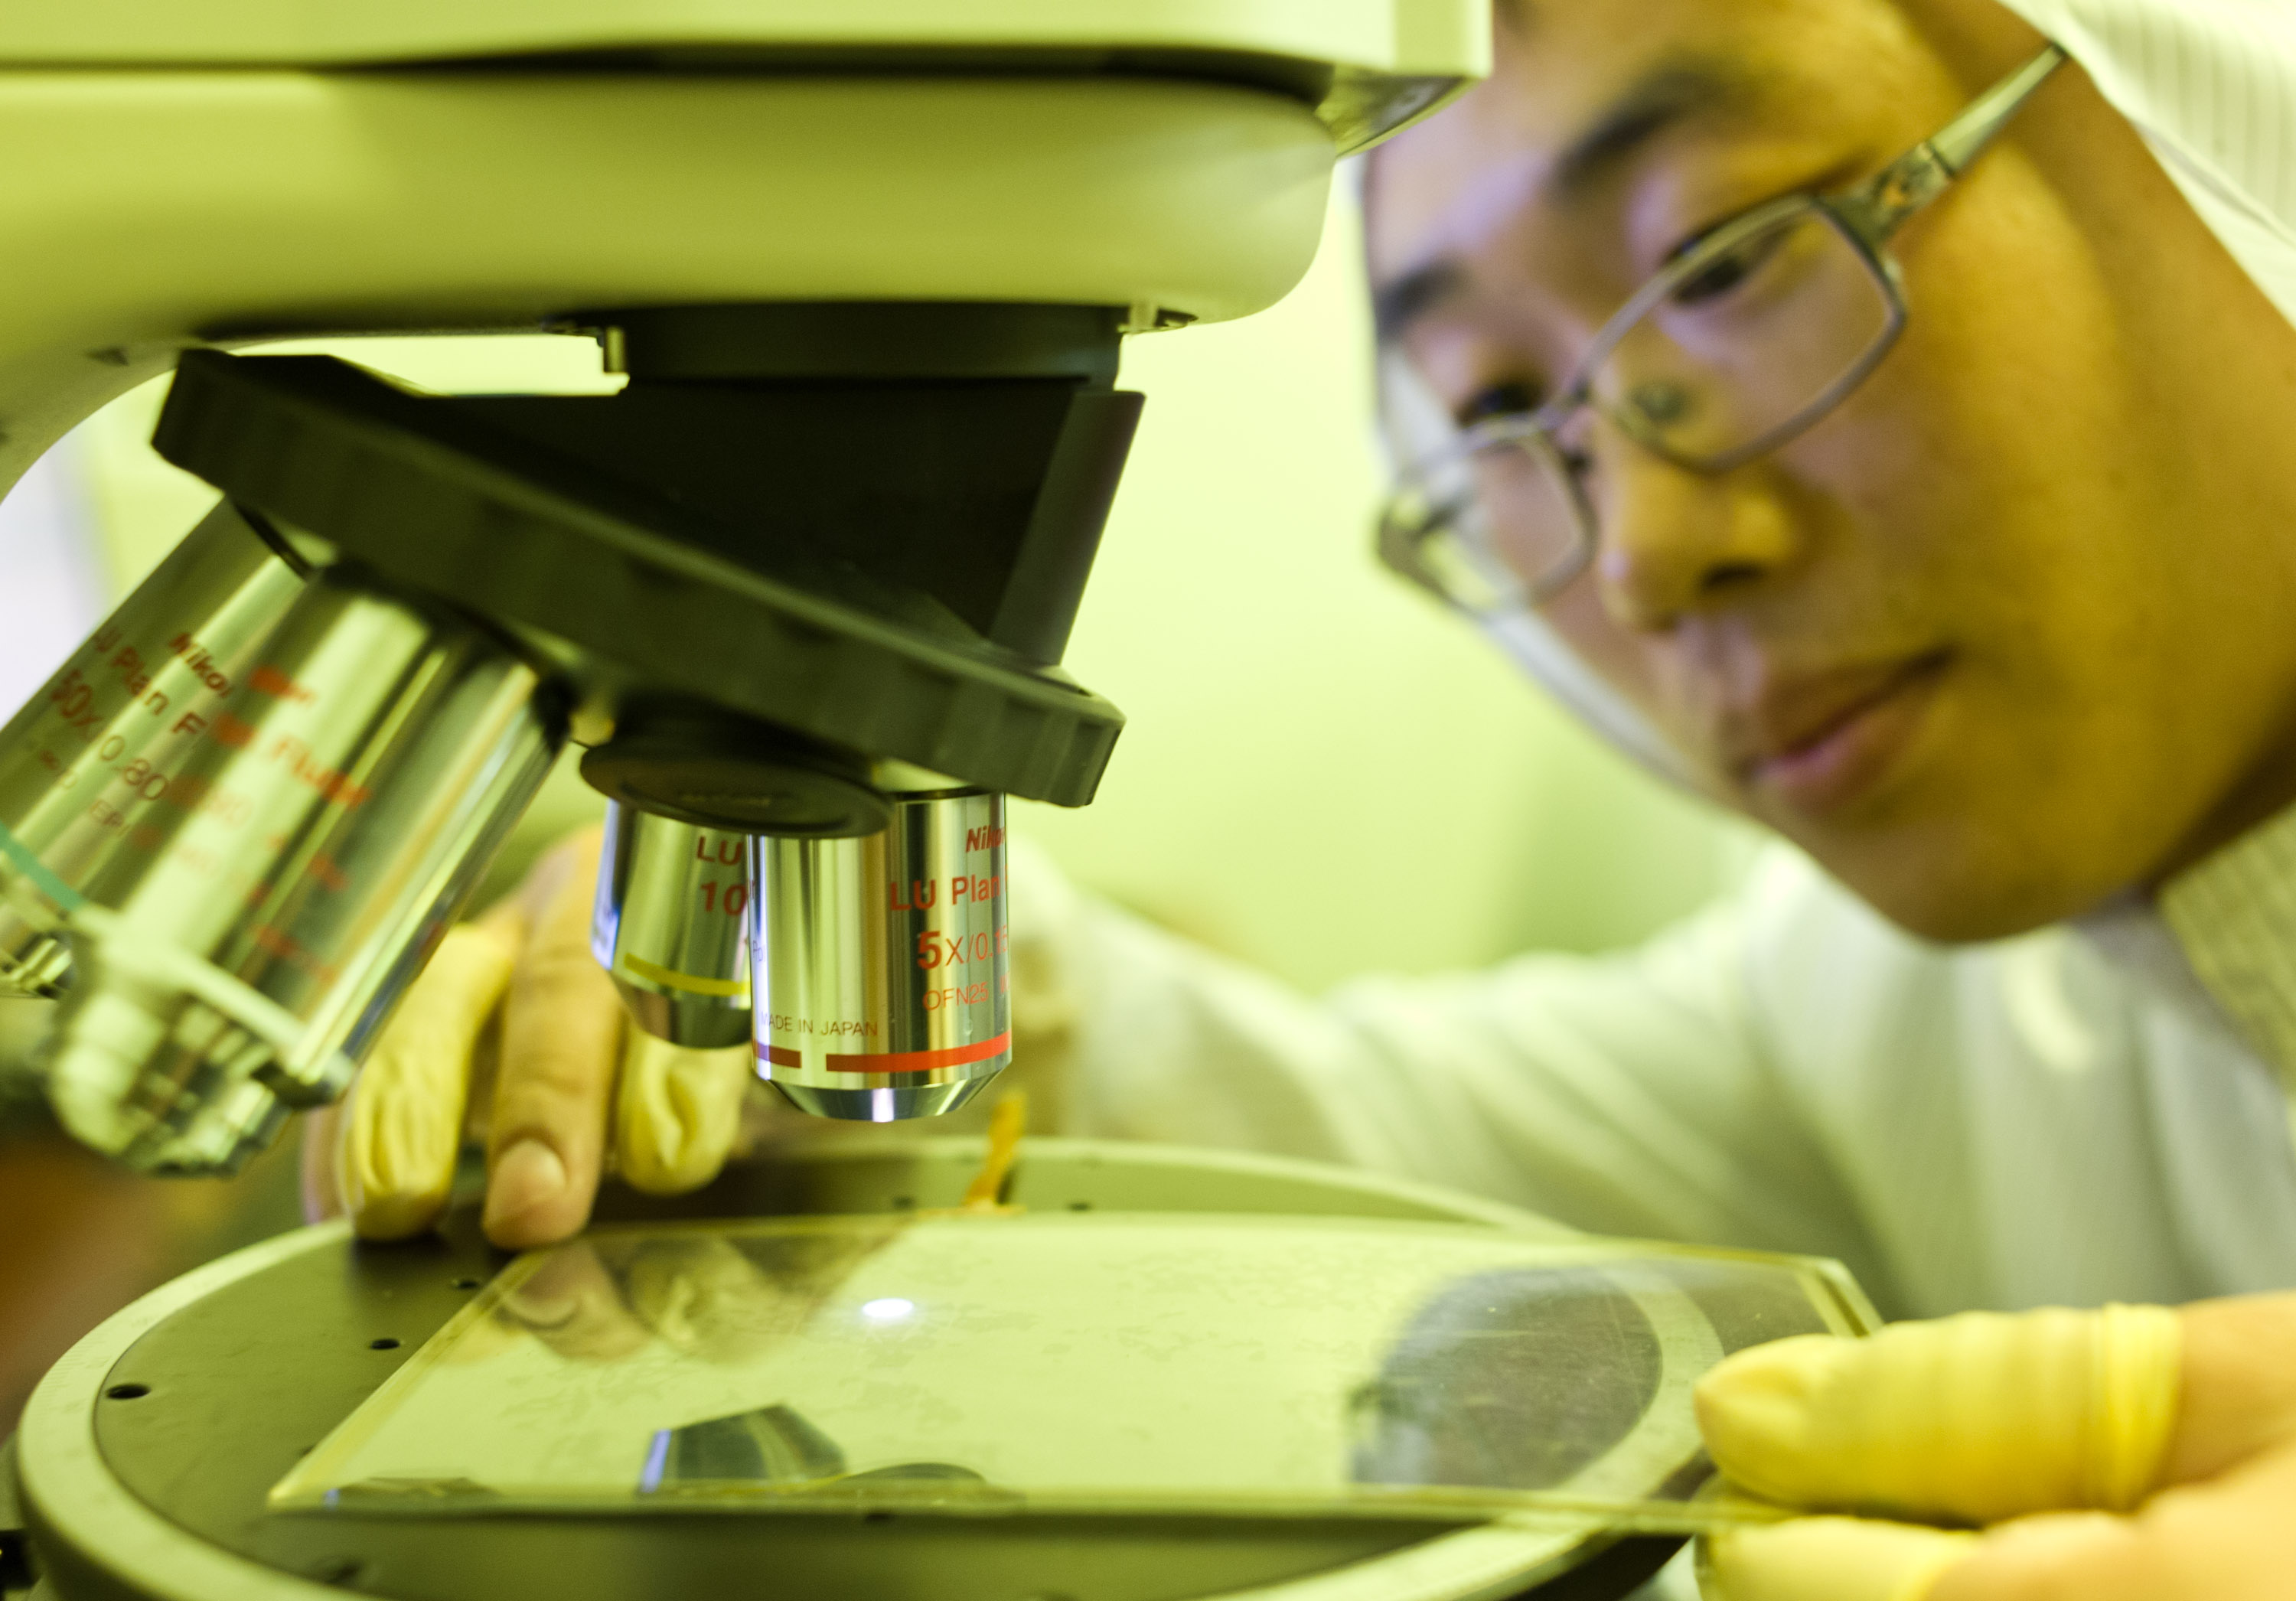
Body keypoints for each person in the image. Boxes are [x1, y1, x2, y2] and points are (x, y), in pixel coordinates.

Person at [309, 0, 2296, 1593]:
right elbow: (1375, 1149)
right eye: (1499, 410)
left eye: (1724, 257)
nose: (1643, 555)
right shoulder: (1921, 1007)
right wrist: (801, 968)